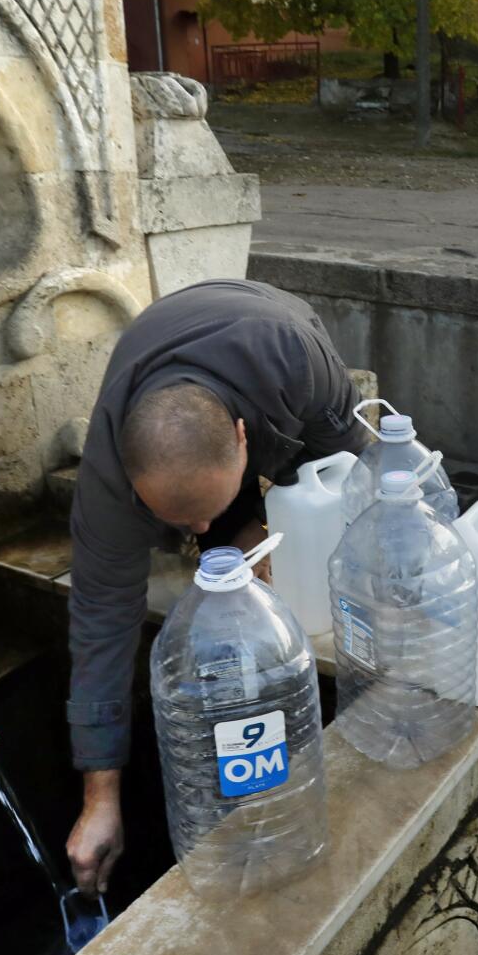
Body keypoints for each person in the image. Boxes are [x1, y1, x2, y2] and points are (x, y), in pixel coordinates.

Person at [65, 279, 369, 893]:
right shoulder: (106, 492)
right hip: (166, 347)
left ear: (241, 437)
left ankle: (248, 512)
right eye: (181, 523)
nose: (200, 533)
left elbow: (357, 471)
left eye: (208, 512)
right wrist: (101, 797)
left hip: (269, 317)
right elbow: (100, 626)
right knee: (222, 541)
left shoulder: (298, 362)